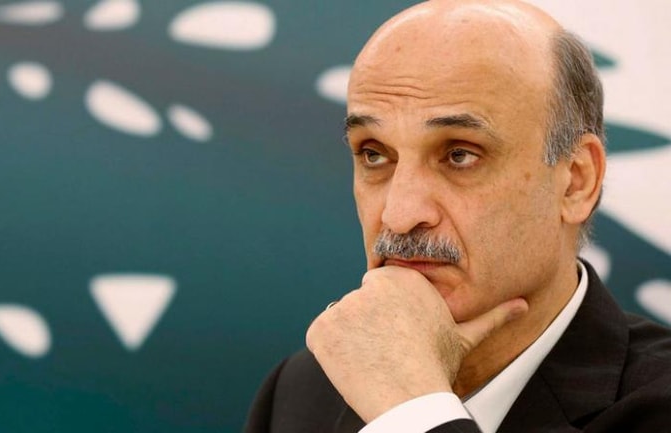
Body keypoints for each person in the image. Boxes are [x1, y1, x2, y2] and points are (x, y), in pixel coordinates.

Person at [243, 0, 671, 432]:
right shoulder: (302, 391)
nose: (399, 215)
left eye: (459, 155)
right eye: (373, 154)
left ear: (576, 181)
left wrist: (408, 410)